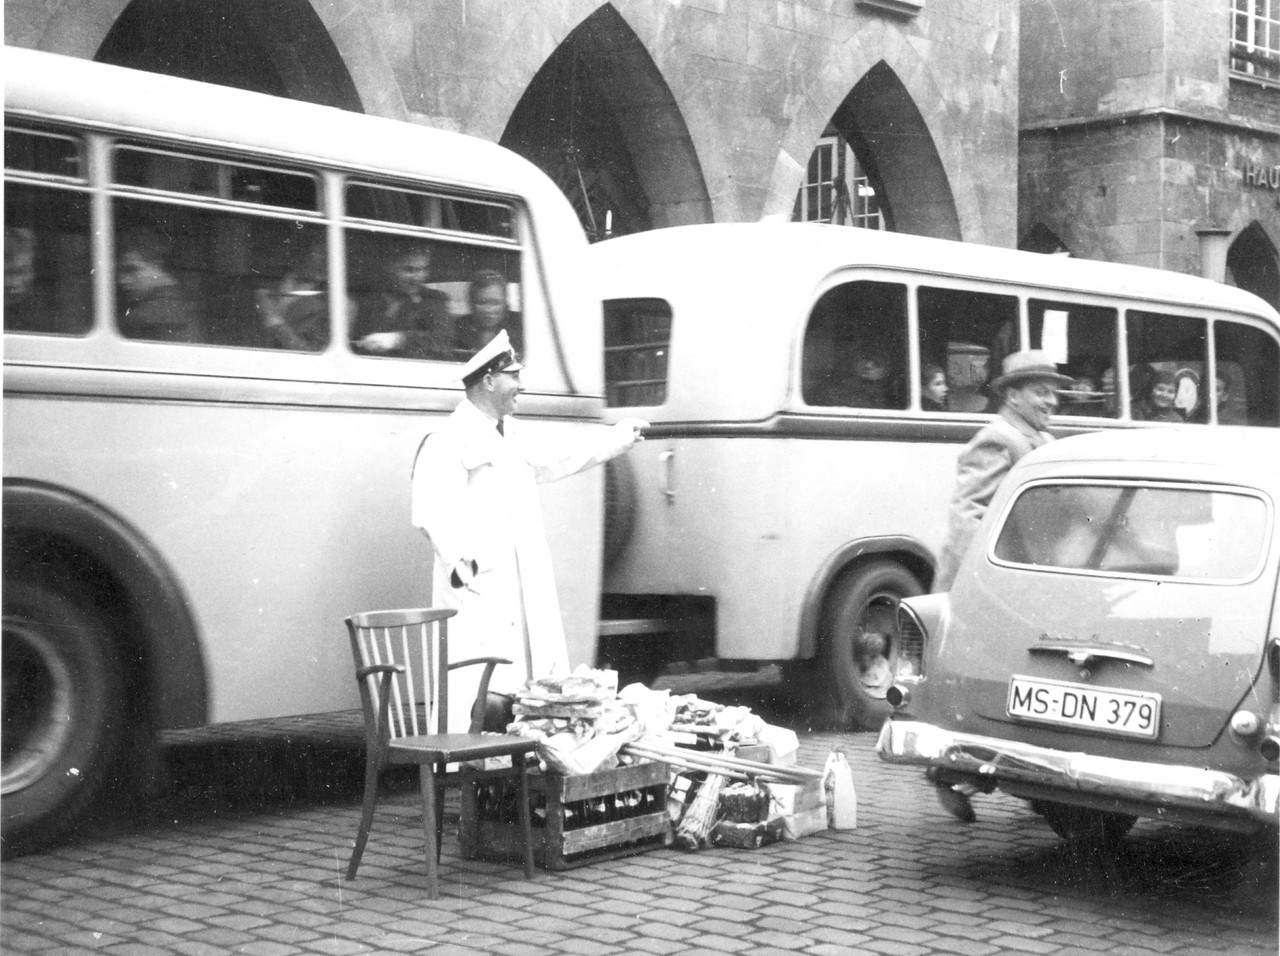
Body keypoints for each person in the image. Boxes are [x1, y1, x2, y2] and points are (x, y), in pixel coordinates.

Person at [410, 330, 648, 731]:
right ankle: (464, 772)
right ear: (488, 380)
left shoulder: (512, 433)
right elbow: (432, 512)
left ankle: (514, 769)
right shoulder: (447, 439)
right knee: (476, 689)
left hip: (520, 589)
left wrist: (616, 439)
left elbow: (561, 457)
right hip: (480, 591)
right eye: (513, 375)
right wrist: (464, 565)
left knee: (526, 686)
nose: (520, 385)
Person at [933, 349, 1071, 594]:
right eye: (1041, 392)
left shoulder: (1045, 438)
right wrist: (990, 579)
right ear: (1013, 396)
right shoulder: (997, 438)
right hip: (985, 589)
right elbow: (968, 518)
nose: (1052, 401)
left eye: (1053, 393)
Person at [351, 244, 451, 359]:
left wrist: (398, 339)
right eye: (409, 270)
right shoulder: (367, 297)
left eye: (424, 269)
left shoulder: (434, 300)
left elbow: (444, 340)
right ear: (391, 268)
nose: (418, 277)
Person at [116, 227, 199, 342]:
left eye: (131, 270)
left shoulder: (147, 316)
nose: (122, 280)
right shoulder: (180, 302)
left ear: (157, 266)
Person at [254, 241, 329, 351]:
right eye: (311, 254)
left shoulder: (325, 301)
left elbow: (310, 352)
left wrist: (276, 323)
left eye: (319, 255)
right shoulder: (271, 281)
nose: (314, 259)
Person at [453, 268, 523, 358]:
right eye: (481, 302)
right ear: (471, 302)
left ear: (505, 303)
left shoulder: (520, 328)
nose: (488, 310)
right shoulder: (459, 328)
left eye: (495, 303)